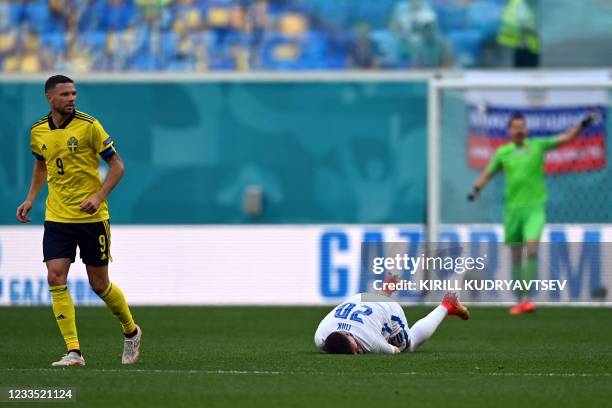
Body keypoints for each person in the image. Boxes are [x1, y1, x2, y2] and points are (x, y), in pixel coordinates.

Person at [16, 75, 141, 366]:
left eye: (74, 93)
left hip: (92, 217)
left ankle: (131, 331)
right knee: (55, 276)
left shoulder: (89, 125)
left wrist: (98, 197)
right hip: (57, 216)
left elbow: (118, 165)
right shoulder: (37, 131)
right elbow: (41, 165)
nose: (71, 98)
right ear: (50, 98)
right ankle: (74, 351)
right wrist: (31, 198)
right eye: (65, 94)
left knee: (99, 285)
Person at [467, 111, 596, 314]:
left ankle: (527, 298)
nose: (519, 130)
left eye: (522, 126)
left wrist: (584, 124)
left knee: (532, 247)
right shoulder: (503, 152)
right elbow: (488, 173)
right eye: (515, 126)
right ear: (509, 130)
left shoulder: (537, 145)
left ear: (526, 129)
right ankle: (520, 298)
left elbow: (566, 138)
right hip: (512, 210)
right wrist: (475, 190)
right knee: (516, 255)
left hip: (534, 207)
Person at [314, 292, 469, 355]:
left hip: (389, 308)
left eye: (357, 348)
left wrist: (379, 345)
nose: (358, 352)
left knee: (410, 345)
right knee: (375, 322)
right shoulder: (320, 334)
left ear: (347, 334)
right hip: (362, 298)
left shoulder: (371, 342)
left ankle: (447, 305)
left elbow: (395, 350)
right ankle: (385, 289)